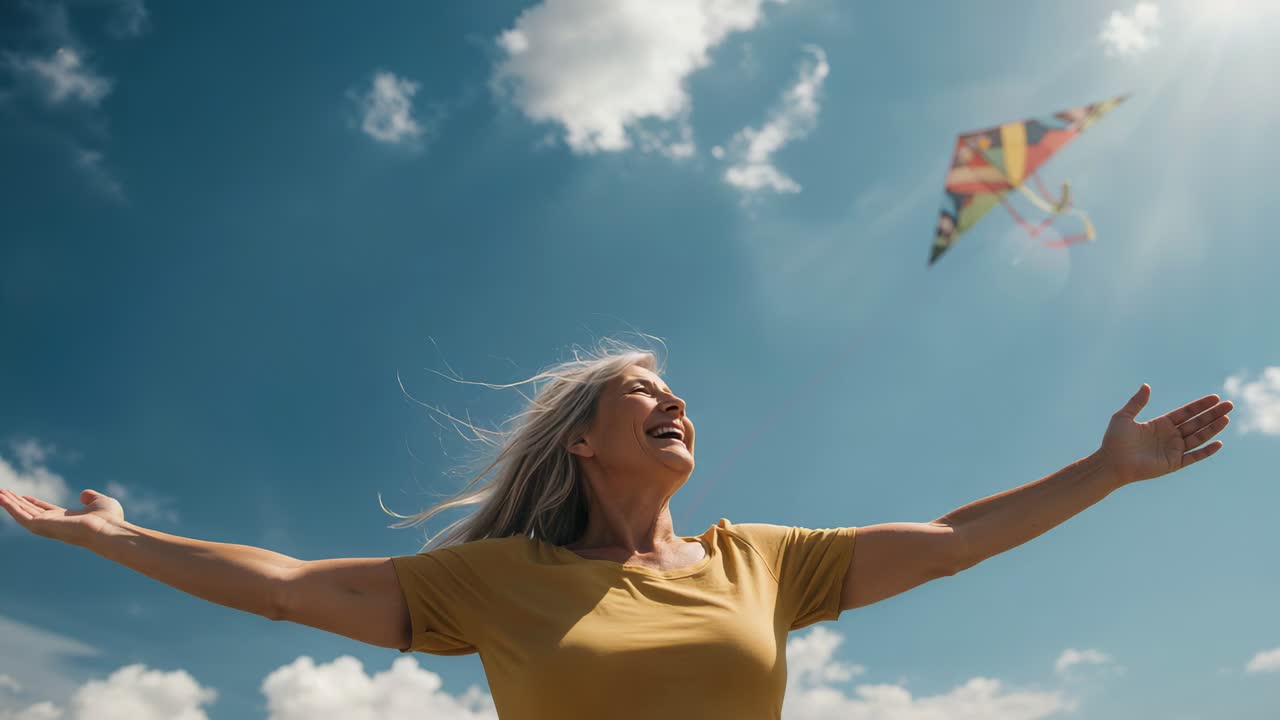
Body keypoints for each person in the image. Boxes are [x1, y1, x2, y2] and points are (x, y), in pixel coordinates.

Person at [0, 342, 1233, 719]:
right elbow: (283, 589)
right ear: (581, 440)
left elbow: (953, 537)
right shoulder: (491, 583)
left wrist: (1104, 471)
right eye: (643, 392)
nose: (674, 401)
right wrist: (118, 540)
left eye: (676, 392)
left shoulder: (764, 562)